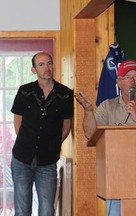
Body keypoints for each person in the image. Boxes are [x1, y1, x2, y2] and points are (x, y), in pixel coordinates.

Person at [10, 52, 74, 215]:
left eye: (49, 63)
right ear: (33, 69)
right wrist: (28, 142)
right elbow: (18, 121)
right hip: (22, 159)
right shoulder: (25, 91)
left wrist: (51, 144)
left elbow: (66, 126)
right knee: (22, 210)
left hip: (47, 161)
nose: (47, 67)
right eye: (41, 64)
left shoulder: (65, 94)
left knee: (46, 210)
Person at [75, 59, 136, 216]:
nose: (133, 81)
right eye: (128, 77)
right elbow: (90, 133)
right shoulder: (108, 106)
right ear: (119, 82)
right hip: (116, 178)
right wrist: (88, 111)